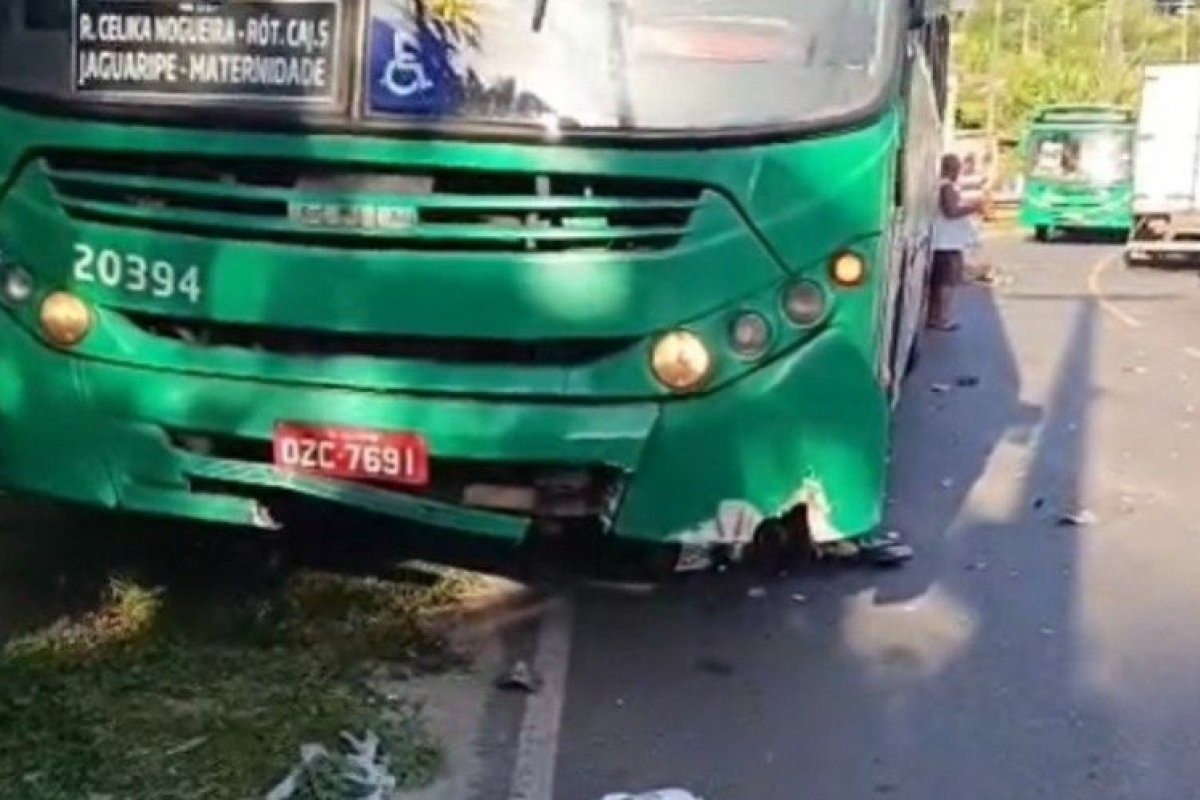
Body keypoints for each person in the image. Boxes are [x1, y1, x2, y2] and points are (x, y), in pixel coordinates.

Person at [928, 153, 985, 331]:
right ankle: (942, 318)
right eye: (957, 169)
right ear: (951, 169)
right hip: (947, 242)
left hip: (943, 241)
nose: (958, 173)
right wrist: (974, 208)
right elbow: (951, 212)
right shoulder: (946, 187)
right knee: (946, 283)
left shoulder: (940, 186)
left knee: (939, 282)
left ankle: (935, 316)